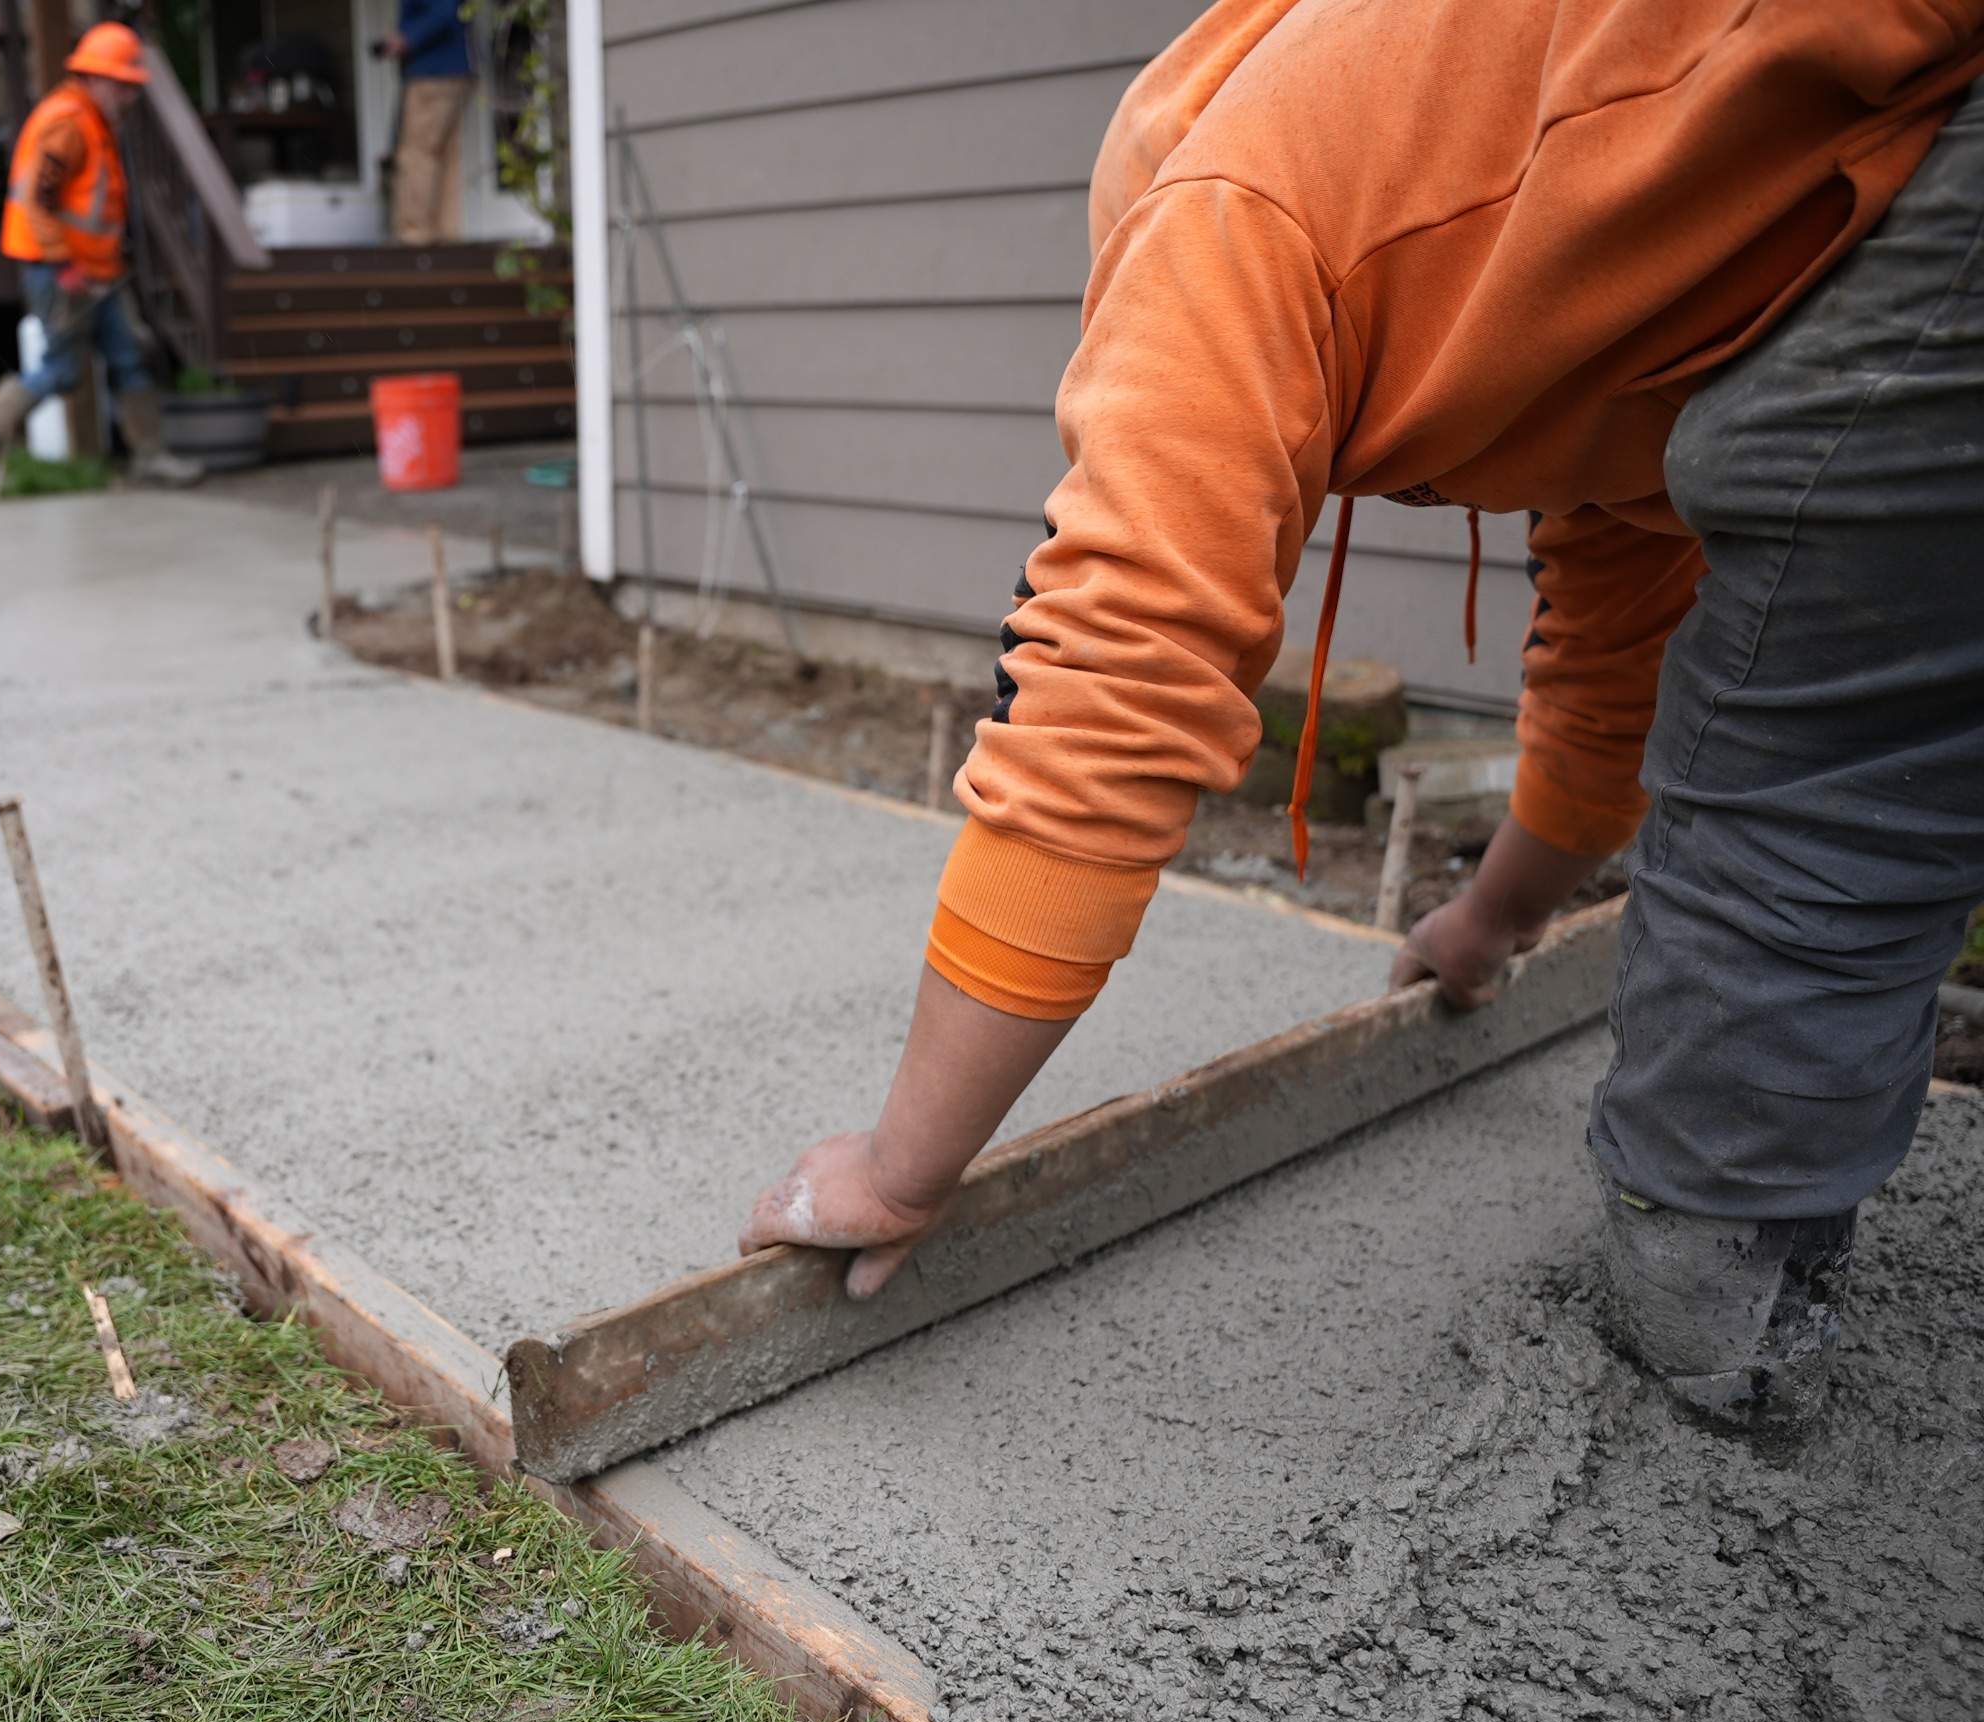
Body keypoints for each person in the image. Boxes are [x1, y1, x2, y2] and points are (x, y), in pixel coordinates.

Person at [741, 0, 1984, 1429]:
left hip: (1938, 120)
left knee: (1808, 775)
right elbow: (1611, 654)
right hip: (1888, 134)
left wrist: (900, 1167)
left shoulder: (1222, 223)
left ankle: (1719, 1335)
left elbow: (1110, 698)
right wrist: (1495, 919)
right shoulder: (1596, 240)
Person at [0, 22, 202, 489]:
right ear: (95, 78)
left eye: (132, 88)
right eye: (122, 87)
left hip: (97, 272)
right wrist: (63, 263)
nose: (129, 98)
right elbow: (38, 199)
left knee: (131, 359)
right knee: (63, 369)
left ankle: (150, 455)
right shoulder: (67, 123)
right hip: (61, 271)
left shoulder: (94, 121)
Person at [384, 0, 473, 246]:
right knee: (443, 153)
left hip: (432, 72)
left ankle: (415, 232)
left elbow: (444, 11)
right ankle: (445, 230)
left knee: (417, 153)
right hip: (452, 70)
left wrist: (407, 38)